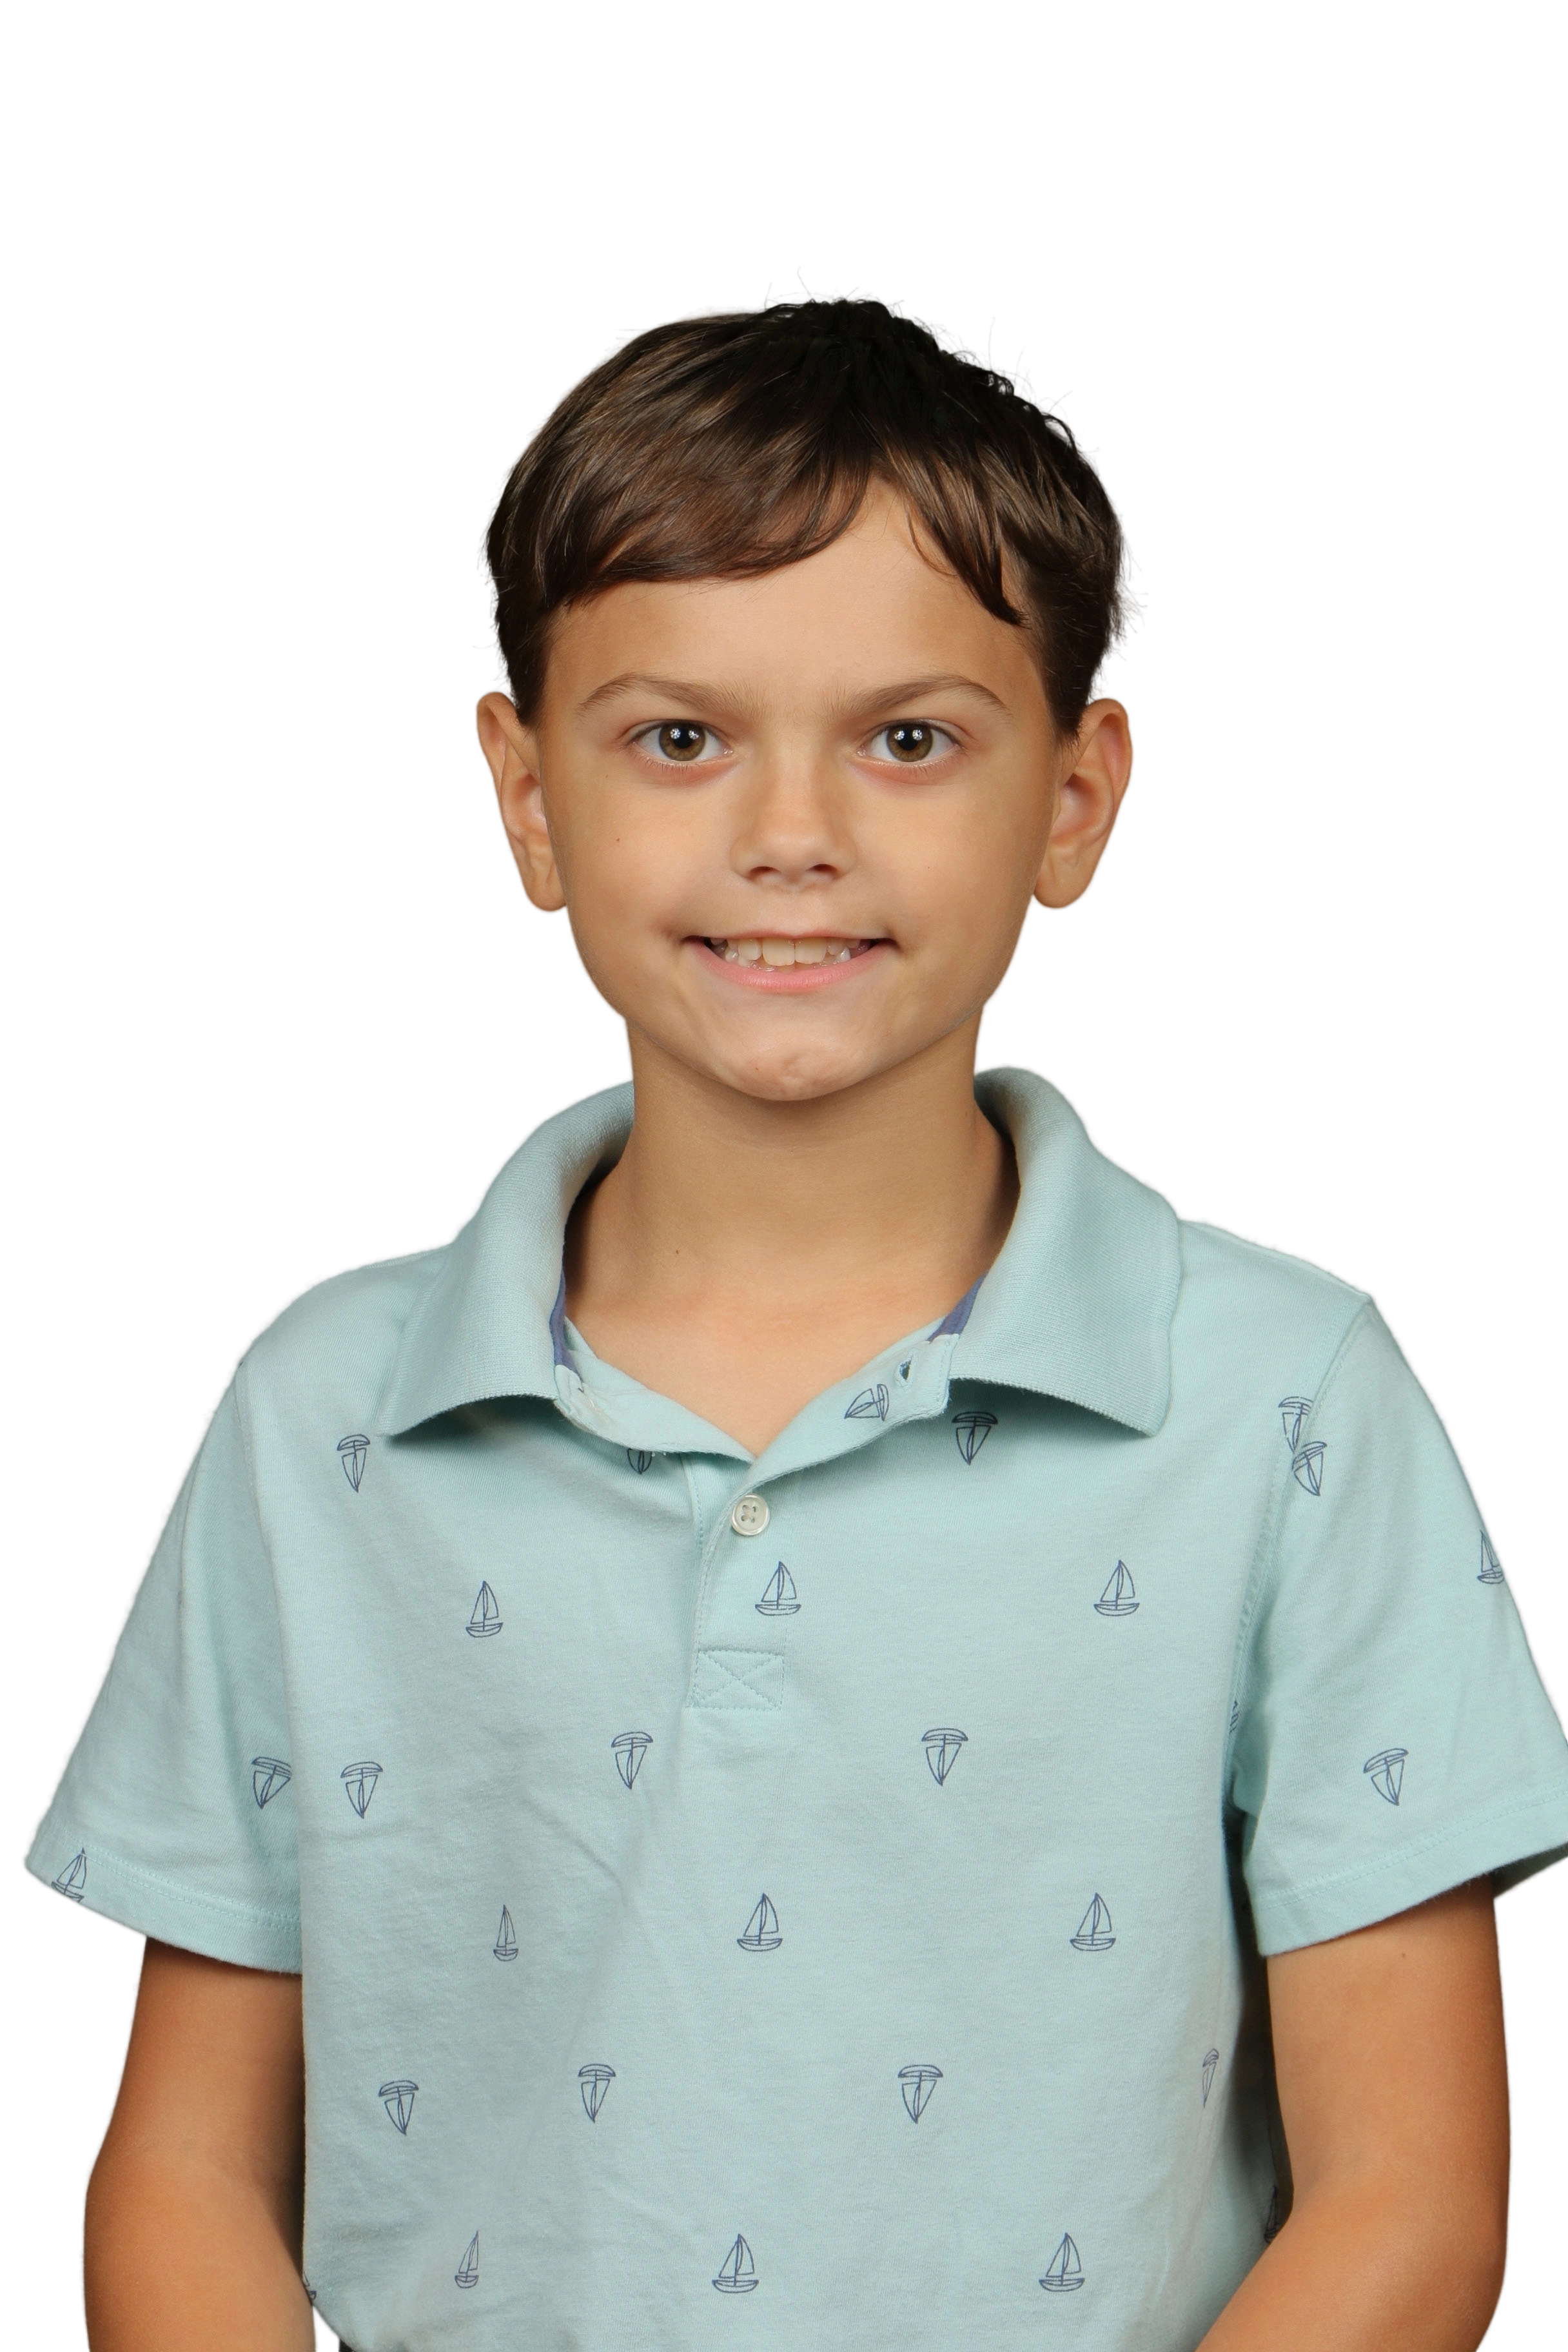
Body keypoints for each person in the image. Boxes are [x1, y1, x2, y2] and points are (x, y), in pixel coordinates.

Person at [20, 284, 1567, 2352]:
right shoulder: (328, 1414)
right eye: (680, 738)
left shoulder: (1286, 1402)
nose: (790, 840)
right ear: (529, 796)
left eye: (908, 739)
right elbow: (193, 2171)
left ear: (1080, 793)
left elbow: (1411, 2205)